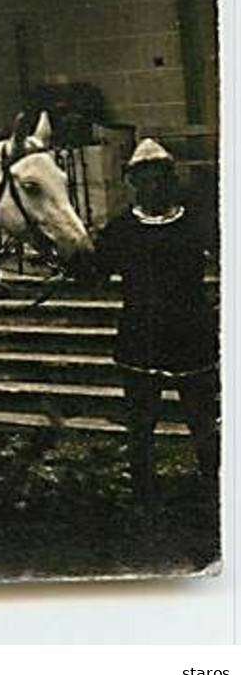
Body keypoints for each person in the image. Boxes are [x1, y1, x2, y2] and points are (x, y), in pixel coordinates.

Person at [90, 139, 218, 503]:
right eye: (144, 178)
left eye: (160, 177)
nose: (153, 186)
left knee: (202, 419)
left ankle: (213, 487)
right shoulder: (121, 229)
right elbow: (97, 269)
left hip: (192, 335)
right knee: (141, 422)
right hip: (140, 338)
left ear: (170, 179)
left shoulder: (195, 223)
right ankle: (144, 492)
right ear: (133, 182)